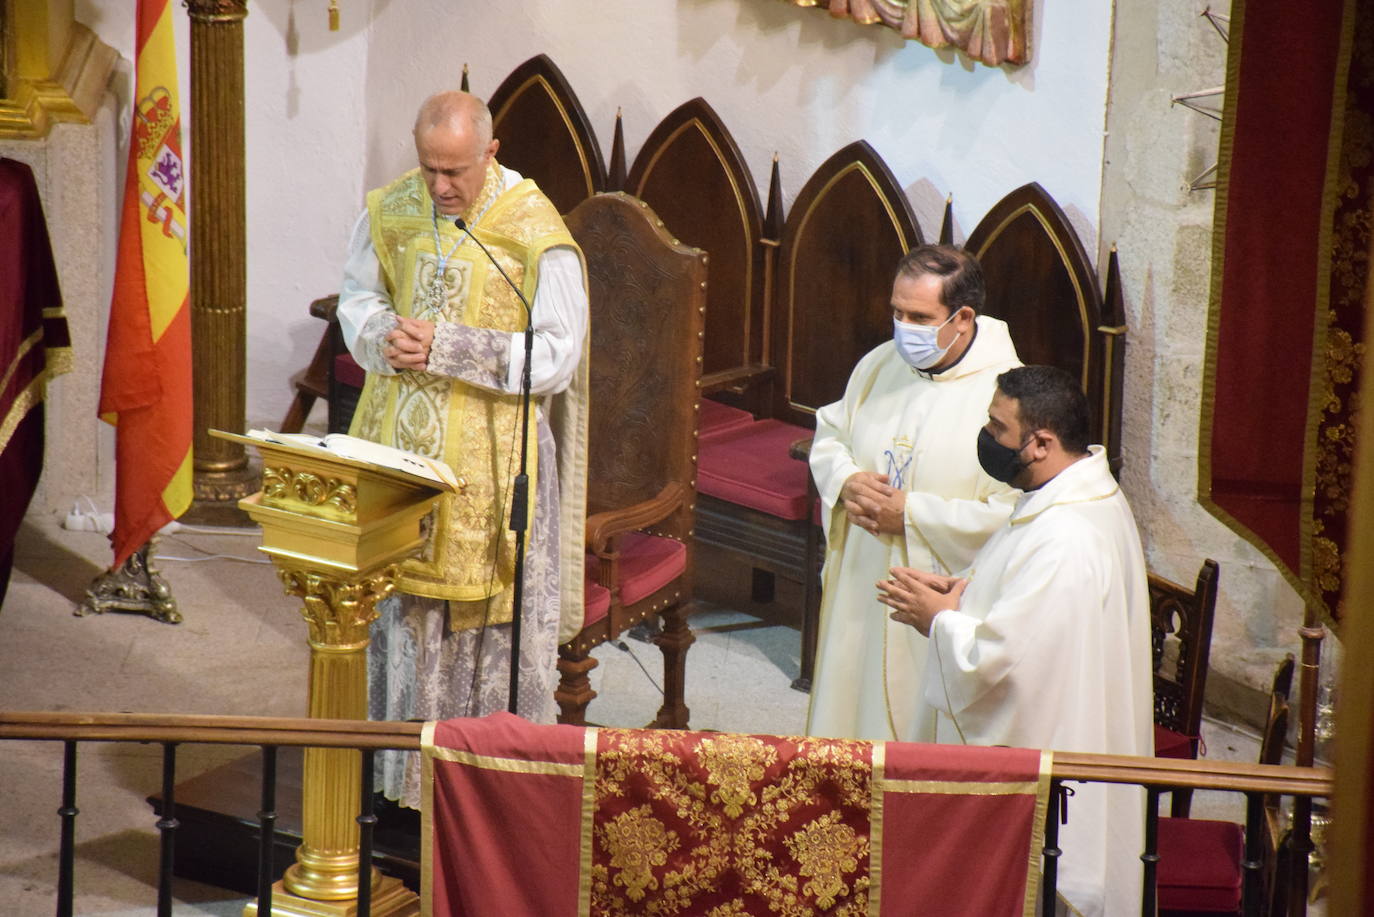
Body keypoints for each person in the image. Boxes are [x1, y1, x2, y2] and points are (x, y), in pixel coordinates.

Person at [337, 90, 589, 808]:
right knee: (397, 612)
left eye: (455, 172)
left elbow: (561, 355)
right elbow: (356, 297)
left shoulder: (532, 229)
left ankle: (475, 788)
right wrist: (380, 334)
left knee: (475, 626)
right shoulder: (391, 209)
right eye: (429, 170)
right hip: (397, 453)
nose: (441, 187)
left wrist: (452, 346)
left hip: (492, 462)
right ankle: (391, 781)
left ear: (491, 152)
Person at [879, 365, 1153, 917]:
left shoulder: (1066, 536)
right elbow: (1029, 611)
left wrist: (939, 620)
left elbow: (1008, 666)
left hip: (1055, 775)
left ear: (1041, 442)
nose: (986, 437)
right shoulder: (1068, 491)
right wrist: (963, 593)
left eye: (997, 428)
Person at [806, 244, 1021, 742]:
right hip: (860, 581)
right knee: (847, 707)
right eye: (897, 313)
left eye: (920, 316)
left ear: (963, 317)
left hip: (933, 595)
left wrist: (912, 514)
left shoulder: (1006, 397)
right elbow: (831, 432)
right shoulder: (881, 364)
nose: (904, 328)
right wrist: (845, 481)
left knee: (912, 734)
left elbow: (1013, 514)